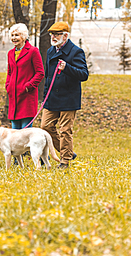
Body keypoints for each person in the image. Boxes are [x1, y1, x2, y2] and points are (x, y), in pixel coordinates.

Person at [40, 21, 89, 169]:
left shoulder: (76, 52)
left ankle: (65, 160)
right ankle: (66, 151)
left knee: (65, 130)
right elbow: (48, 76)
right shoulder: (50, 51)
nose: (53, 37)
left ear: (65, 35)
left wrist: (67, 67)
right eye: (52, 34)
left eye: (57, 34)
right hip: (51, 98)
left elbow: (84, 75)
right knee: (45, 126)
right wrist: (44, 96)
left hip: (68, 98)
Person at [5, 23, 45, 130]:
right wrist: (8, 86)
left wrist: (28, 86)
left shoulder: (33, 51)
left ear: (23, 36)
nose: (14, 38)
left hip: (27, 97)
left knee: (25, 133)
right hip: (14, 97)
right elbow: (10, 72)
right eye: (12, 35)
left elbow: (40, 73)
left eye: (17, 35)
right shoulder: (10, 53)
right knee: (14, 135)